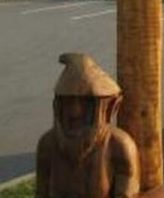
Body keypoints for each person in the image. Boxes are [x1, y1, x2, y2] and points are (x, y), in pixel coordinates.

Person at [36, 53, 140, 198]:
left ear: (110, 108)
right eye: (66, 103)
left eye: (87, 104)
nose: (74, 113)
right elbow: (42, 192)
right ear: (56, 106)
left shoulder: (119, 145)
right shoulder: (48, 144)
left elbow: (126, 193)